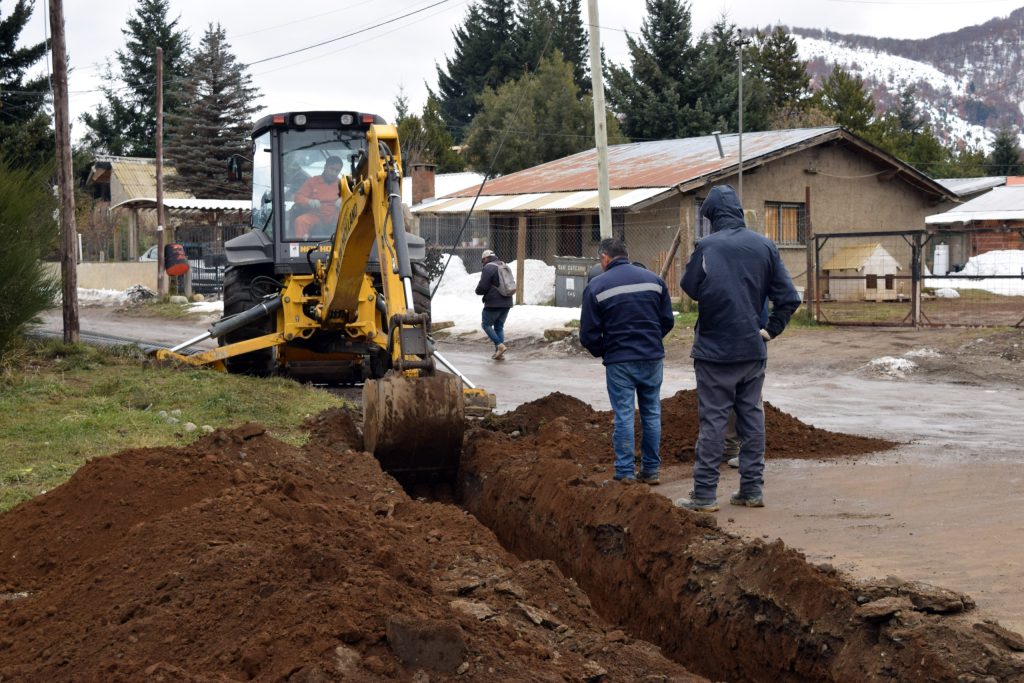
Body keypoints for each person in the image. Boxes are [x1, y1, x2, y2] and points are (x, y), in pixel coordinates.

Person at [676, 185, 800, 511]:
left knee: (714, 422)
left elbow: (689, 287)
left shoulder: (707, 246)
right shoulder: (765, 246)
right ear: (740, 212)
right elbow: (789, 297)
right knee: (752, 419)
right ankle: (751, 490)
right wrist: (770, 330)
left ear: (713, 216)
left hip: (715, 351)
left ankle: (704, 495)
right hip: (752, 348)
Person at [580, 238, 675, 485]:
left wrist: (606, 350)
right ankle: (651, 471)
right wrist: (651, 340)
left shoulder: (597, 286)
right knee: (651, 412)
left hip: (620, 360)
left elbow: (588, 334)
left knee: (624, 415)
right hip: (652, 357)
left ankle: (624, 473)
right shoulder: (654, 280)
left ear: (604, 258)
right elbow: (667, 321)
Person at [475, 249, 514, 360]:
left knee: (486, 324)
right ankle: (499, 352)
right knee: (499, 326)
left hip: (494, 303)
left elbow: (483, 286)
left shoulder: (488, 267)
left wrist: (477, 291)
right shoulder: (503, 265)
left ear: (486, 258)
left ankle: (499, 345)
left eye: (483, 260)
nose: (483, 263)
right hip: (507, 301)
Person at [293, 156, 343, 239]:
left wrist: (343, 200)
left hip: (335, 217)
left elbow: (353, 199)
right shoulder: (312, 181)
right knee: (300, 221)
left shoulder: (342, 184)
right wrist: (309, 201)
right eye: (332, 169)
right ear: (325, 167)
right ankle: (301, 248)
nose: (334, 173)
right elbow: (298, 197)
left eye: (337, 171)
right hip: (316, 215)